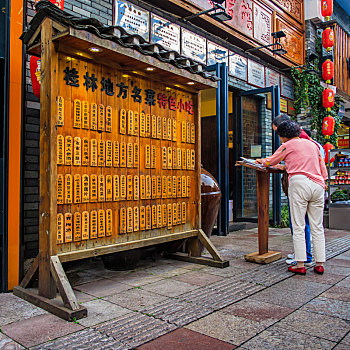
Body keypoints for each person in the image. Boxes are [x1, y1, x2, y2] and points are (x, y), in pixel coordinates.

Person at [256, 120, 327, 275]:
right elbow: (322, 167)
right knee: (317, 226)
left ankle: (300, 263)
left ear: (283, 136)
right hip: (318, 185)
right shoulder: (313, 145)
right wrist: (324, 183)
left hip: (299, 184)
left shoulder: (287, 145)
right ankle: (320, 263)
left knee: (299, 225)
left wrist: (260, 160)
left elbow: (270, 161)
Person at [272, 115, 312, 266]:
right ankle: (308, 256)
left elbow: (271, 160)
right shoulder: (307, 141)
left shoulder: (294, 142)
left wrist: (264, 162)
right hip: (314, 186)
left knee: (299, 223)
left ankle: (303, 258)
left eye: (279, 133)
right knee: (307, 224)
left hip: (300, 187)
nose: (279, 138)